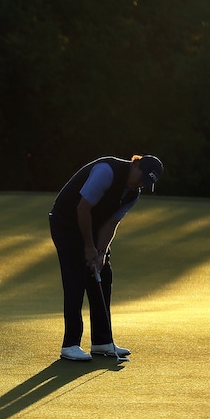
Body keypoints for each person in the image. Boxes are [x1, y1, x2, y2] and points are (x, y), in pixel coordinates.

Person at [48, 154, 164, 361]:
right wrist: (89, 247)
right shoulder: (106, 172)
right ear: (135, 164)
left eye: (146, 182)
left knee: (102, 275)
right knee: (77, 275)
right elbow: (82, 208)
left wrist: (100, 253)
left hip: (92, 225)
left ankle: (102, 341)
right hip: (66, 222)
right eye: (141, 177)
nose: (140, 183)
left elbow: (110, 224)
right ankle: (70, 344)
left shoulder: (133, 194)